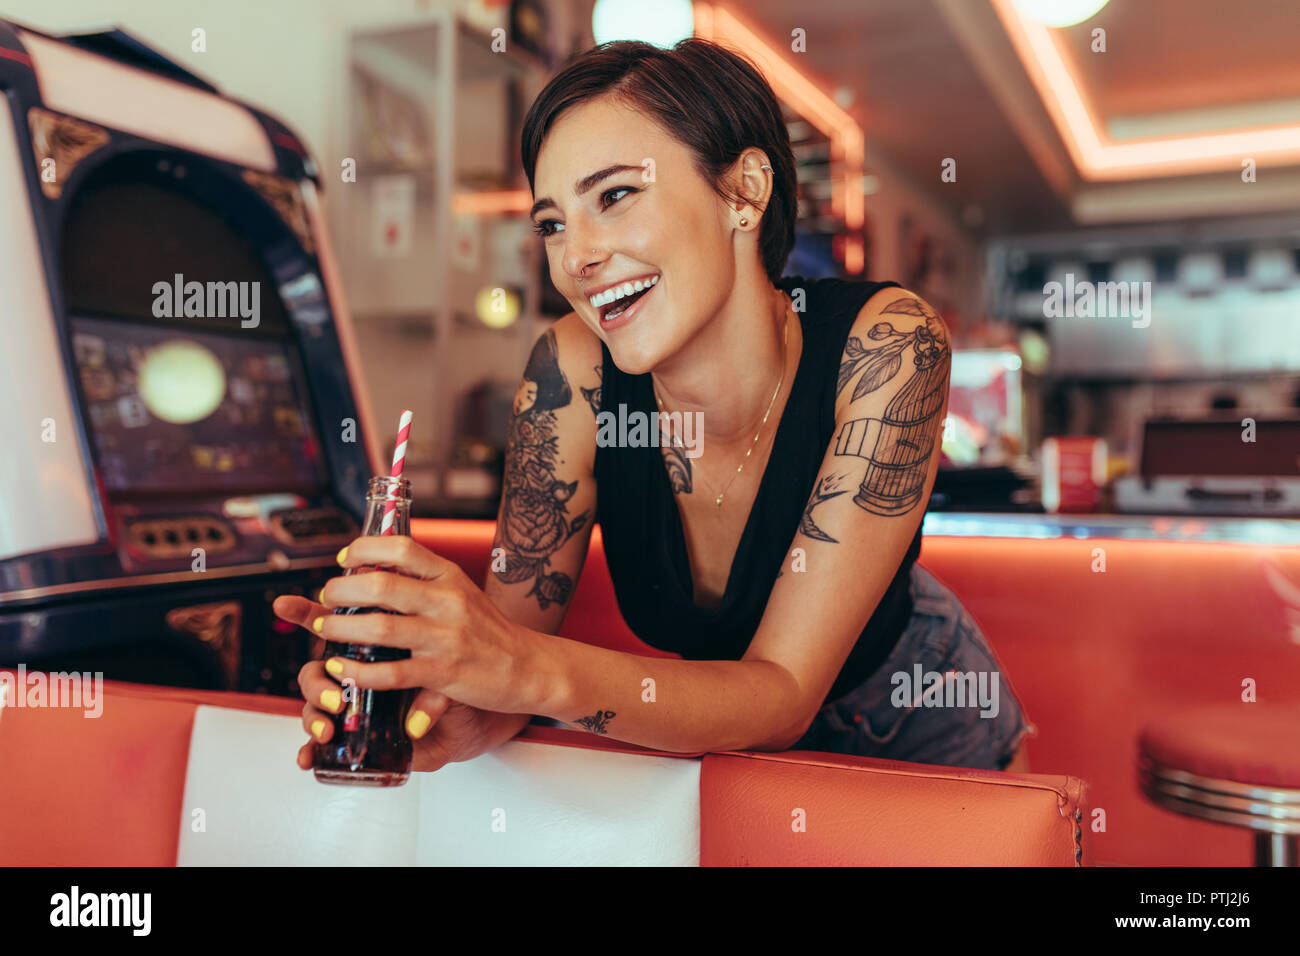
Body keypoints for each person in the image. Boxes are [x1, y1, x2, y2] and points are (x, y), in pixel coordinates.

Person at [274, 38, 1032, 774]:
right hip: (713, 742)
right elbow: (514, 661)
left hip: (915, 727)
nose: (576, 257)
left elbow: (784, 694)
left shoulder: (889, 344)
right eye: (551, 224)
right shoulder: (571, 369)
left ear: (745, 191)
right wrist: (451, 707)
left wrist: (519, 667)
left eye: (615, 195)